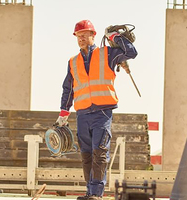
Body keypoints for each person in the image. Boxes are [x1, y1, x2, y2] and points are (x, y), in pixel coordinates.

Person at [56, 20, 137, 200]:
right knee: (86, 156)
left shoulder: (107, 54)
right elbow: (68, 89)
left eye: (85, 34)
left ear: (93, 35)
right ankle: (89, 192)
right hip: (83, 114)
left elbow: (131, 52)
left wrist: (114, 37)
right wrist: (63, 112)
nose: (82, 38)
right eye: (79, 35)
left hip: (102, 112)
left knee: (99, 152)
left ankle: (96, 194)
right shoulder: (73, 62)